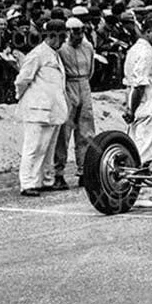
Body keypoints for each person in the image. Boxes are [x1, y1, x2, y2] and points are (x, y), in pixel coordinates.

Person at [14, 20, 68, 197]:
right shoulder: (37, 54)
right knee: (33, 147)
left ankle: (44, 180)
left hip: (53, 109)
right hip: (36, 108)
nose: (63, 42)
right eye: (61, 38)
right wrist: (24, 98)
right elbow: (22, 80)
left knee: (47, 149)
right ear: (52, 36)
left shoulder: (54, 54)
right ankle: (27, 183)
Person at [53, 17, 97, 190]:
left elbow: (91, 69)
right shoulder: (62, 49)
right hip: (68, 85)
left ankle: (83, 171)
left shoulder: (88, 47)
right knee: (64, 131)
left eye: (80, 31)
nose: (77, 35)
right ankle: (58, 173)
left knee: (86, 132)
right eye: (73, 31)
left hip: (84, 84)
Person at [123, 17, 152, 169]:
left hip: (141, 107)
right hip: (148, 109)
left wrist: (129, 107)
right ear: (148, 32)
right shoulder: (146, 54)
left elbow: (129, 84)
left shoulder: (134, 50)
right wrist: (132, 109)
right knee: (144, 154)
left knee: (135, 147)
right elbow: (139, 86)